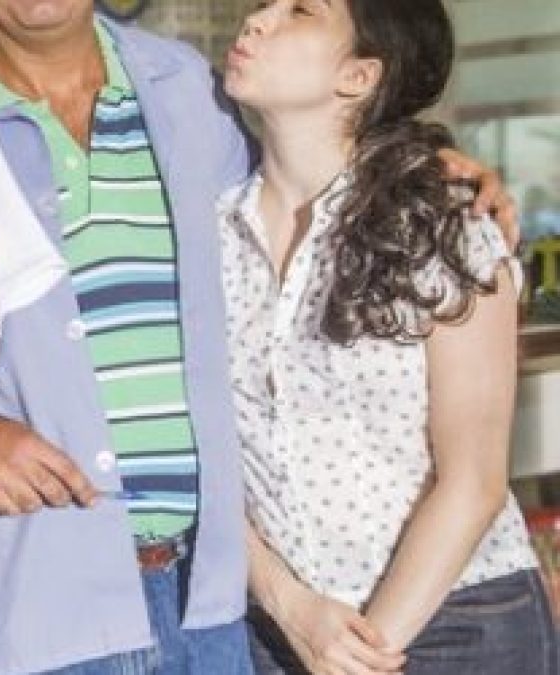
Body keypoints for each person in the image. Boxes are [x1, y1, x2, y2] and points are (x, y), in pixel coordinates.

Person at [0, 1, 520, 673]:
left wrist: (433, 174)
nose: (262, 21)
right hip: (21, 606)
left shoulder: (197, 93)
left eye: (297, 10)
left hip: (212, 609)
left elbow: (334, 152)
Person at [217, 1, 558, 673]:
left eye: (299, 11)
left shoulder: (446, 225)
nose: (258, 21)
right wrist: (290, 607)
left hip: (459, 622)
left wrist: (363, 653)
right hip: (285, 631)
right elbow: (206, 463)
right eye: (262, 6)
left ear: (359, 75)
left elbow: (473, 482)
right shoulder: (210, 235)